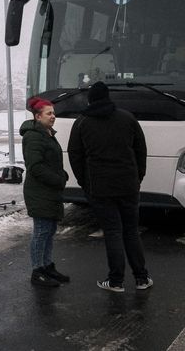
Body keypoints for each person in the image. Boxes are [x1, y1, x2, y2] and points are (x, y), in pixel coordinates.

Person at [68, 81, 152, 292]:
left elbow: (75, 155)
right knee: (131, 232)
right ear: (108, 97)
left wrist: (83, 181)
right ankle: (142, 278)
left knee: (113, 232)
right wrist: (138, 176)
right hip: (128, 185)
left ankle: (116, 281)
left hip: (100, 187)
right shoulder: (127, 118)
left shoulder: (82, 122)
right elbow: (141, 150)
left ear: (90, 99)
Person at [20, 97, 70, 287]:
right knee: (41, 232)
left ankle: (47, 266)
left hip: (49, 190)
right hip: (39, 191)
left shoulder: (47, 133)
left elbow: (51, 161)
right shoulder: (33, 136)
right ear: (38, 116)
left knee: (49, 231)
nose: (53, 116)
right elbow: (36, 166)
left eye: (53, 113)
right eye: (49, 113)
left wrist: (61, 174)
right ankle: (37, 270)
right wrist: (58, 179)